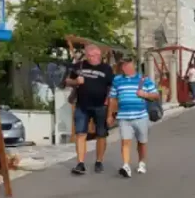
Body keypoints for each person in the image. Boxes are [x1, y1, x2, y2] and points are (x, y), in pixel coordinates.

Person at [107, 56, 160, 178]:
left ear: (133, 66)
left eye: (127, 65)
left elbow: (156, 95)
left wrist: (145, 94)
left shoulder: (143, 79)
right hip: (124, 117)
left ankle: (142, 163)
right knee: (125, 141)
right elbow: (113, 99)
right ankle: (126, 166)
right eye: (123, 66)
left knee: (142, 142)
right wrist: (110, 115)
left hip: (141, 116)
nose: (125, 68)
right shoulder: (117, 80)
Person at [65, 44, 114, 175]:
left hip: (100, 106)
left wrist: (108, 102)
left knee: (101, 134)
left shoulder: (106, 69)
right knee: (80, 134)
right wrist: (76, 82)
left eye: (93, 56)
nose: (91, 58)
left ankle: (99, 161)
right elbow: (68, 80)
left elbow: (111, 87)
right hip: (82, 105)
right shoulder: (79, 66)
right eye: (89, 56)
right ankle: (80, 163)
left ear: (99, 55)